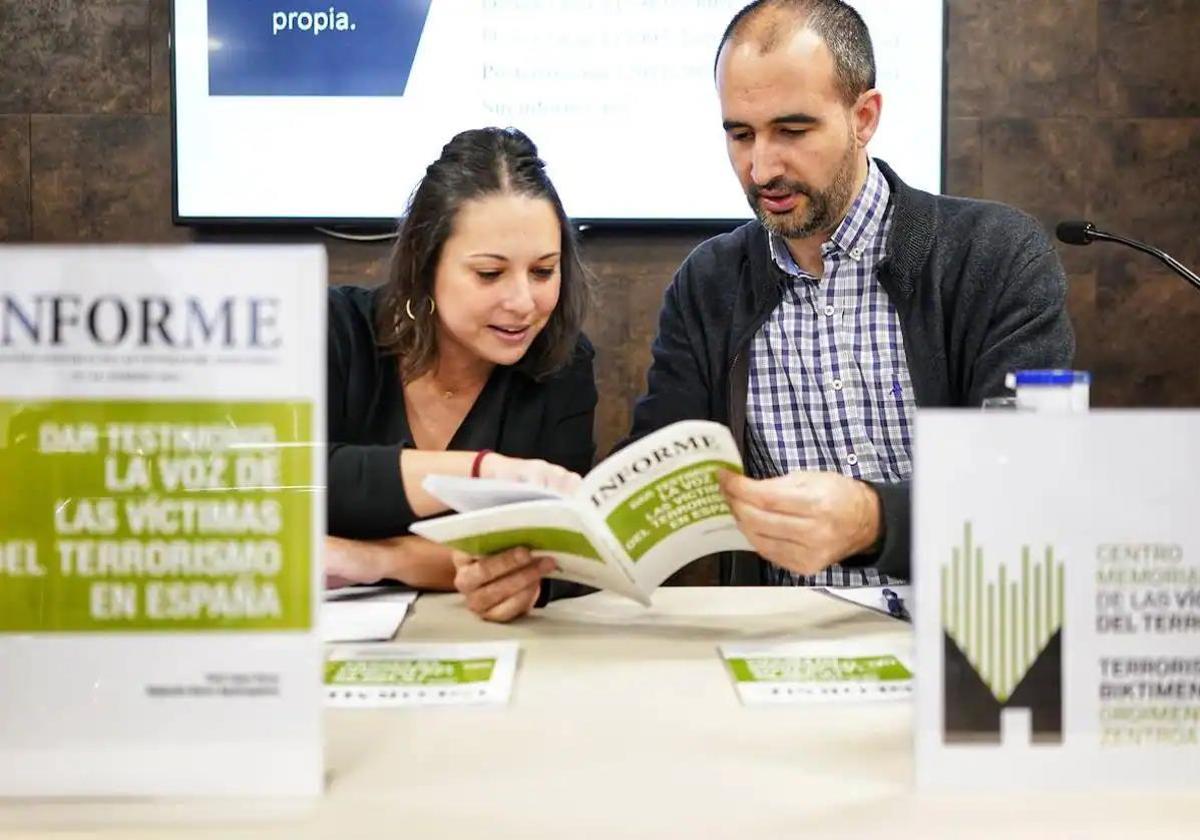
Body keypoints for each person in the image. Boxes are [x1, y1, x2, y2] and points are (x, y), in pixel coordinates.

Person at [460, 0, 1074, 617]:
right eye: (740, 134)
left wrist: (871, 519)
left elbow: (1026, 486)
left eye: (793, 131)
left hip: (978, 620)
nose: (762, 168)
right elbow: (654, 475)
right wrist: (544, 567)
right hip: (788, 645)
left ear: (864, 117)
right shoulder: (711, 282)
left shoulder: (992, 255)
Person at [326, 127, 596, 623]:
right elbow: (295, 479)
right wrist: (485, 473)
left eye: (542, 272)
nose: (522, 303)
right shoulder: (338, 330)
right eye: (489, 274)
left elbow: (557, 556)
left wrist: (375, 559)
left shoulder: (563, 364)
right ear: (426, 264)